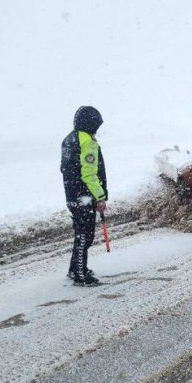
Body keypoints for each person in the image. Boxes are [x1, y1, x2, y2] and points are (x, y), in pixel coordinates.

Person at [61, 106, 107, 286]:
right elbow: (89, 174)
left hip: (72, 194)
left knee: (80, 233)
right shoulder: (87, 141)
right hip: (85, 196)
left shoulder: (69, 139)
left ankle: (75, 269)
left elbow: (64, 168)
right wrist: (100, 196)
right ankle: (80, 274)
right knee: (85, 235)